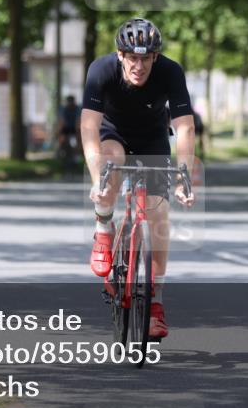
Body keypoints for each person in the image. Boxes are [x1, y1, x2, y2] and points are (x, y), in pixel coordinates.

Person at [82, 18, 196, 339]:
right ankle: (103, 227)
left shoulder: (171, 72)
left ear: (156, 57)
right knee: (109, 168)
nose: (139, 65)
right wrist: (96, 180)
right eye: (133, 57)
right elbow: (89, 126)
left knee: (159, 214)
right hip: (112, 134)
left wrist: (184, 174)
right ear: (120, 55)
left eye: (146, 58)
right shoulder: (100, 70)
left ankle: (155, 303)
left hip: (152, 139)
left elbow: (185, 127)